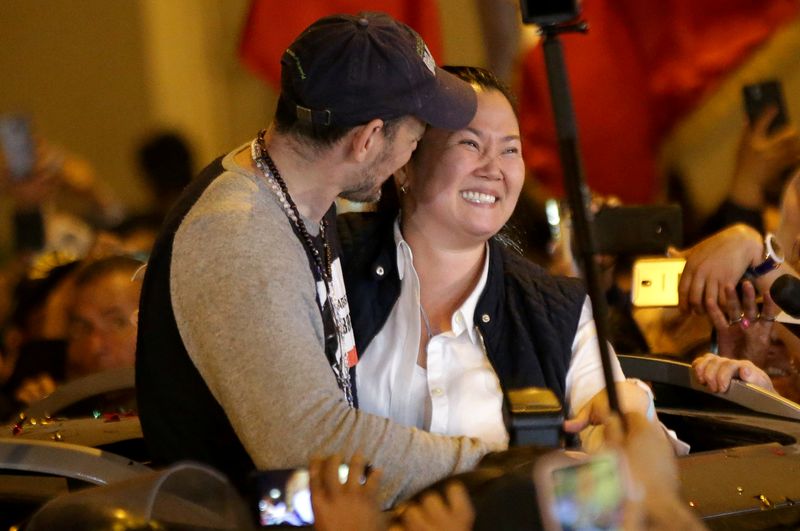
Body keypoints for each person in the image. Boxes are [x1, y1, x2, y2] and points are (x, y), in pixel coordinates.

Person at [136, 12, 497, 506]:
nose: (412, 155)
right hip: (240, 515)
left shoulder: (297, 191)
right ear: (367, 139)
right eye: (414, 137)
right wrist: (489, 465)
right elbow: (312, 446)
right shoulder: (241, 238)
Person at [338, 66, 667, 451]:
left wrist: (628, 417)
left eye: (510, 150)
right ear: (406, 162)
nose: (494, 169)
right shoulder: (329, 263)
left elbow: (627, 447)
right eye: (470, 144)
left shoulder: (556, 309)